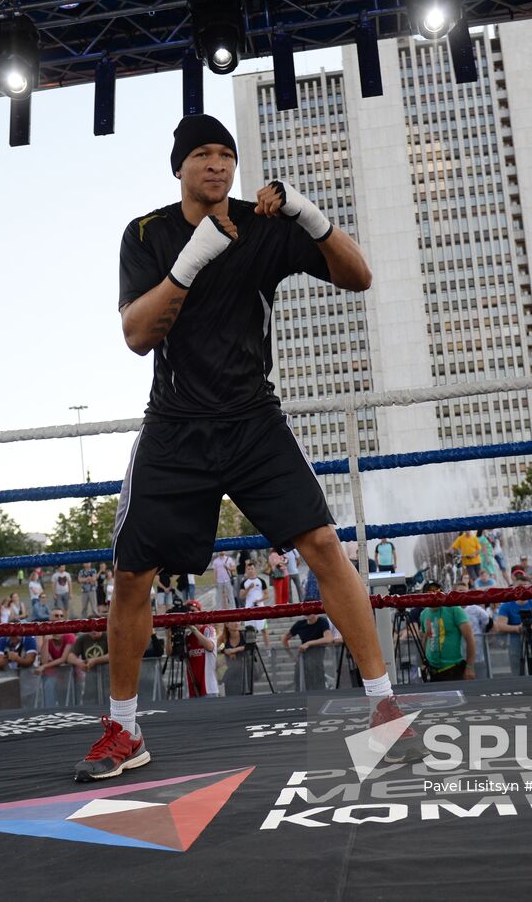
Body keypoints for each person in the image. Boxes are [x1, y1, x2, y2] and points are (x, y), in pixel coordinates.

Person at [79, 113, 411, 781]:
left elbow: (359, 276)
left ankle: (383, 707)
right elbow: (137, 335)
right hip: (174, 424)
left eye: (226, 154)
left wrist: (309, 215)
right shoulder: (145, 234)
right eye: (202, 154)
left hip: (253, 418)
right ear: (179, 167)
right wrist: (193, 258)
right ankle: (123, 729)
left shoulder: (263, 226)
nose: (217, 164)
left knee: (323, 544)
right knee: (130, 574)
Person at [417, 586, 476, 683]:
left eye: (437, 592)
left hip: (453, 669)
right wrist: (423, 661)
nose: (434, 595)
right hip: (432, 671)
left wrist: (469, 666)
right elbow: (425, 638)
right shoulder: (424, 614)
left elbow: (470, 638)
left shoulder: (454, 609)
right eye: (430, 593)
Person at [493, 579, 532, 676]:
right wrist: (517, 628)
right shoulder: (506, 605)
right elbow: (500, 626)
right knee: (517, 668)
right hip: (516, 641)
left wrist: (531, 627)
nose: (523, 589)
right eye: (520, 586)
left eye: (525, 586)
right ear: (514, 588)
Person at [36, 609, 76, 706]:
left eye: (61, 616)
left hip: (74, 675)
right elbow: (44, 660)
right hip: (59, 676)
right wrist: (46, 640)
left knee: (73, 703)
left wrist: (44, 667)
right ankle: (49, 714)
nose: (59, 618)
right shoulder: (48, 637)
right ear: (50, 619)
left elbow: (63, 658)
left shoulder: (69, 635)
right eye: (56, 616)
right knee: (49, 685)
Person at [284, 613, 335, 689]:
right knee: (300, 685)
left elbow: (328, 639)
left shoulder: (322, 621)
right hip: (302, 660)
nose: (307, 613)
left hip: (316, 661)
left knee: (317, 686)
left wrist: (309, 643)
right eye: (305, 611)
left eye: (310, 611)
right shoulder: (300, 624)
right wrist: (292, 655)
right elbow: (284, 638)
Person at [241, 562, 271, 649]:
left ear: (255, 570)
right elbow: (241, 596)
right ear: (246, 570)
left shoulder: (261, 581)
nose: (250, 571)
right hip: (249, 609)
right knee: (250, 631)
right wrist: (248, 588)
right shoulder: (244, 583)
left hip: (260, 608)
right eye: (248, 569)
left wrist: (259, 600)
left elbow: (267, 595)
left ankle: (268, 649)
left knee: (264, 630)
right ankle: (253, 650)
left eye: (252, 569)